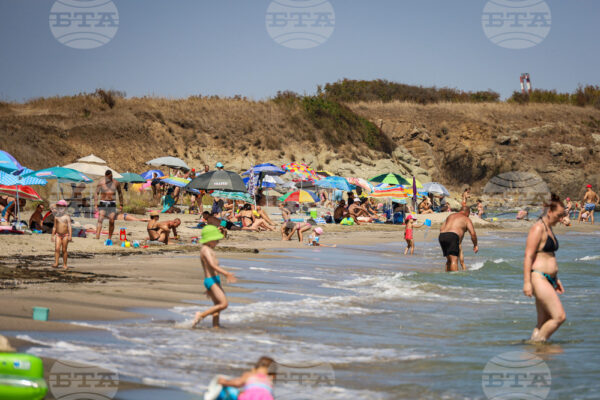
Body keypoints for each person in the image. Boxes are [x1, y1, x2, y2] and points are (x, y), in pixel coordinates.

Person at [523, 193, 566, 342]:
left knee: (543, 321)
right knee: (559, 316)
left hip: (549, 279)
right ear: (550, 212)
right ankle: (537, 345)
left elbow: (549, 256)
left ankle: (536, 354)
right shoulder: (538, 228)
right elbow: (528, 255)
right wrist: (527, 282)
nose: (561, 219)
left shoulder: (549, 229)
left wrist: (556, 278)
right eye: (559, 215)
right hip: (538, 277)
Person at [192, 225, 237, 328]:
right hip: (211, 281)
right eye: (216, 239)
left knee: (217, 305)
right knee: (224, 304)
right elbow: (212, 265)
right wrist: (227, 274)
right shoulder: (205, 250)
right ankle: (201, 315)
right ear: (209, 239)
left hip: (214, 280)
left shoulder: (209, 249)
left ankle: (215, 327)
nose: (218, 241)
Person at [438, 206, 478, 272]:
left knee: (449, 260)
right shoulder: (466, 219)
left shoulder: (450, 216)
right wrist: (475, 245)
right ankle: (454, 279)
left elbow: (441, 228)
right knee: (454, 260)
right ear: (467, 212)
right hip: (452, 236)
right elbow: (473, 233)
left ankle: (447, 277)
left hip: (442, 236)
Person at [95, 170, 124, 242]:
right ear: (105, 176)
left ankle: (109, 238)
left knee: (111, 221)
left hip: (112, 204)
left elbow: (120, 193)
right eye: (108, 177)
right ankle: (97, 236)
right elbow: (96, 193)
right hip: (103, 203)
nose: (110, 179)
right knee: (100, 219)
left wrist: (121, 204)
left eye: (111, 177)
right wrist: (95, 204)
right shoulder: (101, 182)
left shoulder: (116, 183)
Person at [51, 200, 72, 270]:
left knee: (64, 250)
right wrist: (52, 235)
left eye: (62, 207)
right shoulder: (56, 217)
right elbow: (54, 227)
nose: (60, 209)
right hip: (58, 235)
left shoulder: (67, 217)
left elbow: (69, 227)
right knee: (57, 249)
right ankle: (56, 262)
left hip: (65, 235)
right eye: (59, 207)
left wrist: (70, 236)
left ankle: (65, 264)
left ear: (65, 208)